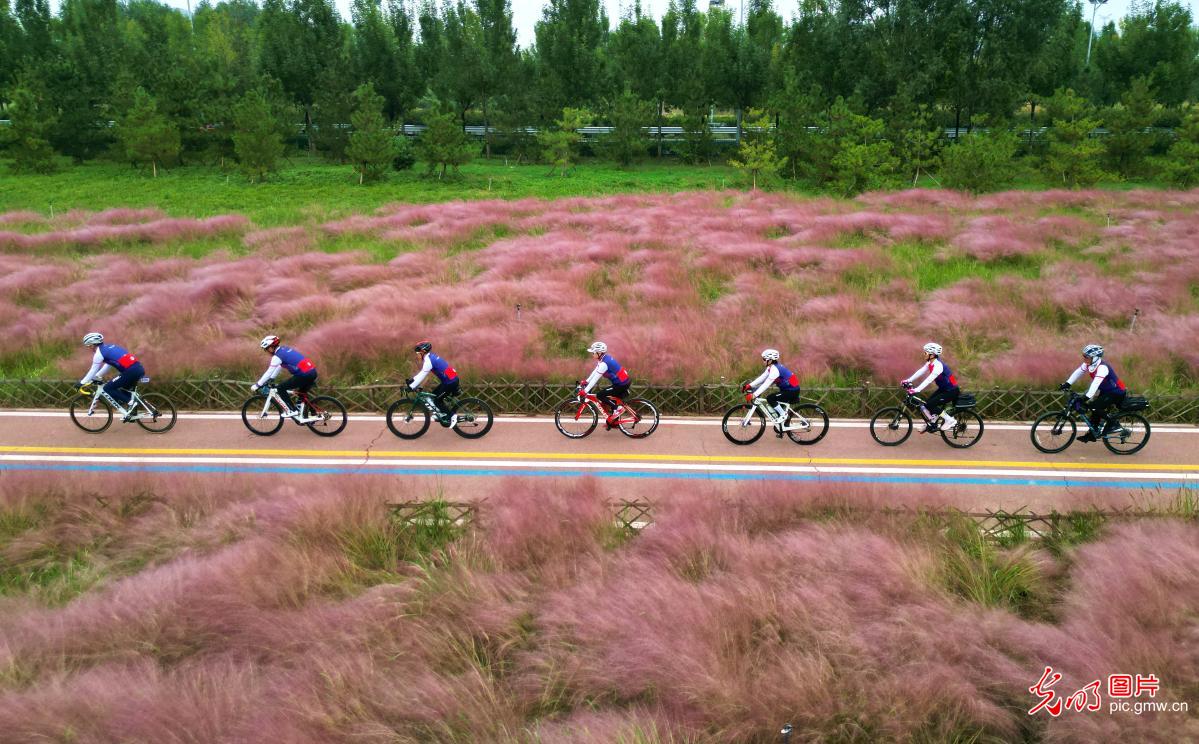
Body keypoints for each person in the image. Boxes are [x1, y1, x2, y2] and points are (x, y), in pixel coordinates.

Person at [1061, 343, 1126, 442]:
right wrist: (1067, 383)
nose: (1084, 359)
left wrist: (1085, 397)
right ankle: (1092, 434)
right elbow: (1078, 372)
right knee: (1094, 410)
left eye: (1087, 357)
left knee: (1095, 407)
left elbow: (1095, 384)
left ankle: (1114, 425)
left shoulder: (1102, 368)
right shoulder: (1089, 364)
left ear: (1095, 357)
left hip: (1117, 391)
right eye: (1084, 356)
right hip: (1106, 391)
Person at [80, 332, 145, 418]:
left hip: (130, 372)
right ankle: (133, 412)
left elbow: (93, 370)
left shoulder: (99, 353)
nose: (89, 348)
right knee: (124, 390)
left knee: (108, 388)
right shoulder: (110, 347)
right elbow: (108, 365)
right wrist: (96, 377)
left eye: (89, 346)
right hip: (138, 368)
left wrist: (82, 382)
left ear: (92, 344)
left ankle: (132, 403)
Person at [251, 335, 317, 418]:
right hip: (312, 372)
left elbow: (269, 372)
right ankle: (314, 413)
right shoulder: (284, 349)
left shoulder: (277, 356)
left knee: (281, 388)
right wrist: (272, 378)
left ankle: (293, 410)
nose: (267, 351)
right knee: (302, 394)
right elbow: (279, 366)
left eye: (266, 349)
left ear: (271, 347)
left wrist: (258, 385)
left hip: (303, 375)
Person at [902, 342, 958, 433]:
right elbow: (920, 371)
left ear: (932, 355)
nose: (924, 354)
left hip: (951, 391)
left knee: (930, 404)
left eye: (925, 353)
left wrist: (917, 389)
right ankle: (932, 422)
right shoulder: (930, 362)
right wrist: (908, 380)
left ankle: (950, 420)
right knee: (927, 404)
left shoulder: (938, 366)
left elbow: (929, 380)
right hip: (944, 389)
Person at [745, 348, 801, 436]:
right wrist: (750, 385)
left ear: (770, 360)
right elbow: (762, 377)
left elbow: (766, 384)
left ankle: (783, 415)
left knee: (770, 398)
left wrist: (754, 395)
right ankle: (783, 427)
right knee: (777, 407)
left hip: (791, 391)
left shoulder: (775, 370)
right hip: (788, 389)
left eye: (764, 359)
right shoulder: (771, 368)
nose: (763, 361)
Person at [408, 341, 459, 427]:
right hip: (451, 379)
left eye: (418, 353)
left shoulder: (428, 361)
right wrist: (412, 380)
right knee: (433, 395)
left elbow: (422, 375)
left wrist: (411, 386)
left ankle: (452, 416)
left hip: (450, 382)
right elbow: (422, 373)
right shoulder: (432, 356)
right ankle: (441, 413)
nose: (417, 355)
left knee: (437, 400)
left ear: (423, 352)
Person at [583, 341, 631, 428]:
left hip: (621, 384)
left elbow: (596, 378)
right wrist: (586, 381)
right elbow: (595, 371)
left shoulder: (604, 363)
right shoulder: (603, 359)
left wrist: (585, 390)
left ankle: (618, 409)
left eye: (593, 352)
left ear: (599, 352)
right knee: (612, 400)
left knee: (600, 395)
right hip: (623, 381)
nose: (592, 354)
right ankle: (613, 422)